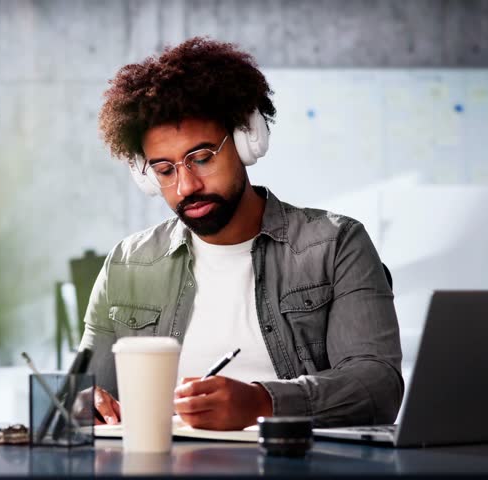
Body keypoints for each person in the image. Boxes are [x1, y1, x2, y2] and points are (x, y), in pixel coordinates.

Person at [79, 37, 403, 430]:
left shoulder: (336, 246)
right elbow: (83, 390)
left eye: (201, 159)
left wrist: (262, 402)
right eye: (165, 170)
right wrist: (82, 402)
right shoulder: (128, 264)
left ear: (247, 139)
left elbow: (377, 385)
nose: (186, 187)